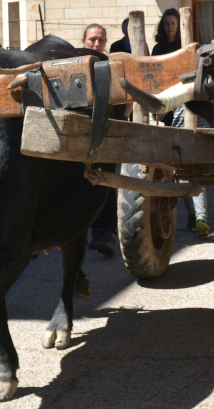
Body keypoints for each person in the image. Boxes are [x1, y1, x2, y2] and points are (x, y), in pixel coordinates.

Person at [79, 24, 119, 257]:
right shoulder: (73, 64)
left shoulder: (110, 66)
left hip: (107, 132)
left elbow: (126, 96)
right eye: (93, 39)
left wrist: (122, 119)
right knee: (84, 183)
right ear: (84, 41)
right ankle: (92, 230)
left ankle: (109, 232)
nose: (96, 44)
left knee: (107, 181)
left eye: (101, 40)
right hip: (82, 134)